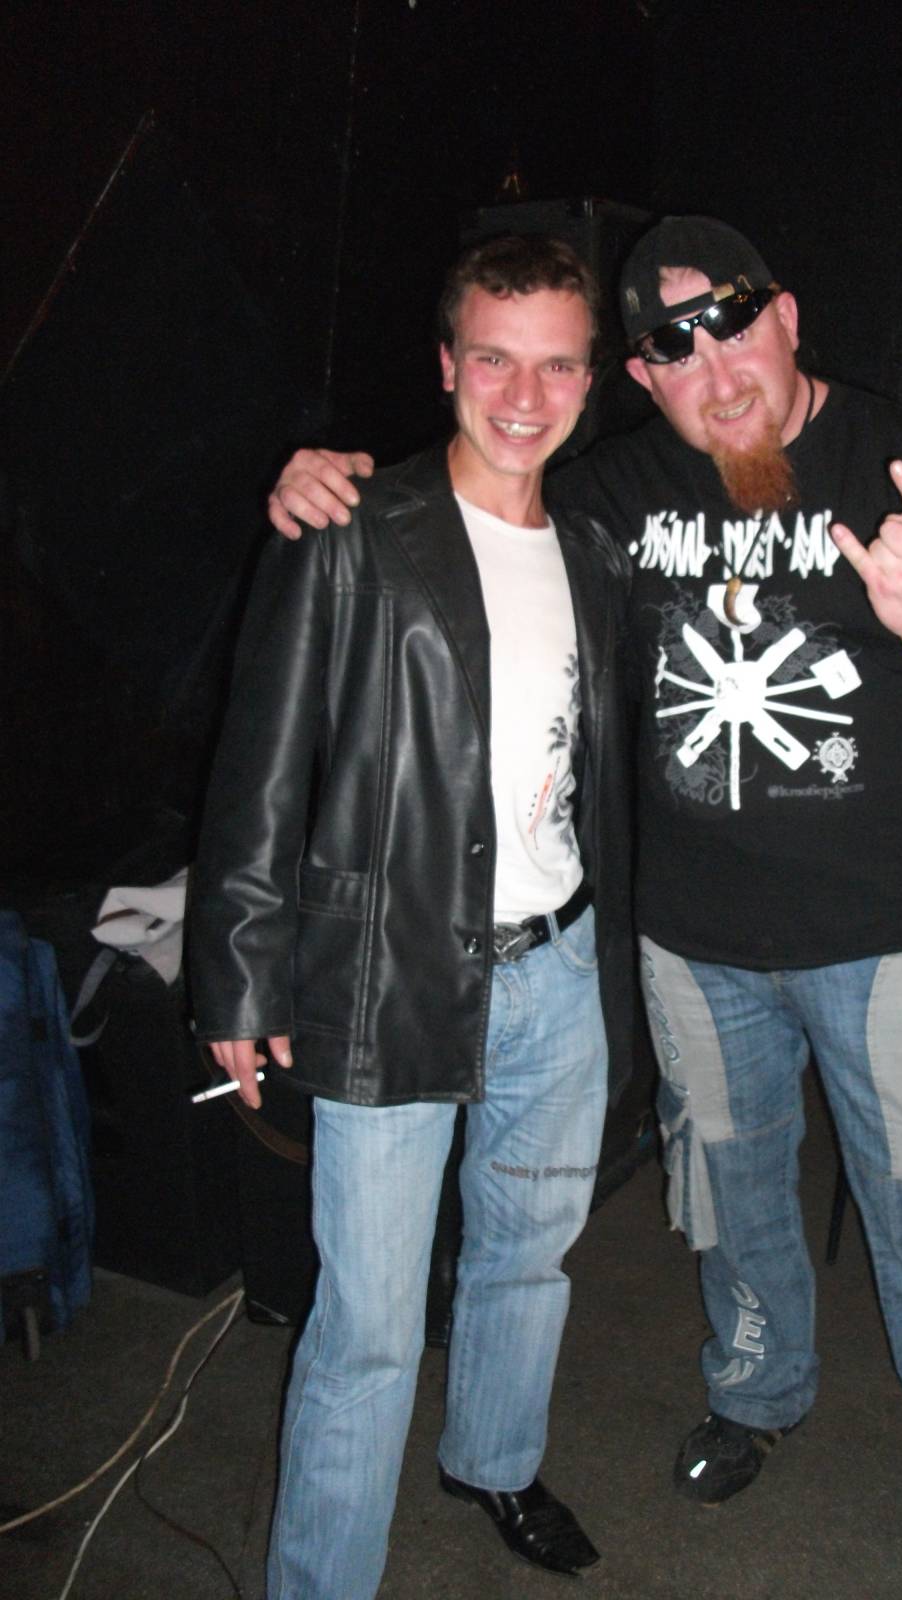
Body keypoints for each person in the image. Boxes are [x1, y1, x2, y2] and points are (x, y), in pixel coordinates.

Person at [266, 216, 902, 1600]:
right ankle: (758, 1394)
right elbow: (484, 501)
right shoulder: (615, 489)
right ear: (639, 378)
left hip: (887, 939)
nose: (715, 371)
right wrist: (331, 481)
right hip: (692, 947)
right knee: (732, 1202)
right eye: (671, 349)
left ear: (788, 318)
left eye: (733, 325)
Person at [189, 233, 633, 1598]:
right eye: (494, 358)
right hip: (389, 969)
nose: (523, 394)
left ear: (590, 379)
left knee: (530, 1258)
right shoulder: (354, 529)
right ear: (446, 364)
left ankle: (493, 1459)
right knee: (368, 1326)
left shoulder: (594, 553)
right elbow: (261, 764)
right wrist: (240, 976)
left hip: (558, 968)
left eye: (555, 364)